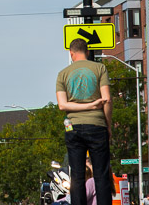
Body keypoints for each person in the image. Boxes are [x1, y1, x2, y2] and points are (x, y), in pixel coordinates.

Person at [56, 38, 113, 205]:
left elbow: (62, 105)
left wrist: (83, 106)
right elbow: (107, 100)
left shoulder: (63, 74)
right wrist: (107, 125)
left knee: (77, 176)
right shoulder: (100, 68)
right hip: (97, 126)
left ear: (71, 53)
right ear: (87, 52)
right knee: (101, 175)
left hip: (73, 128)